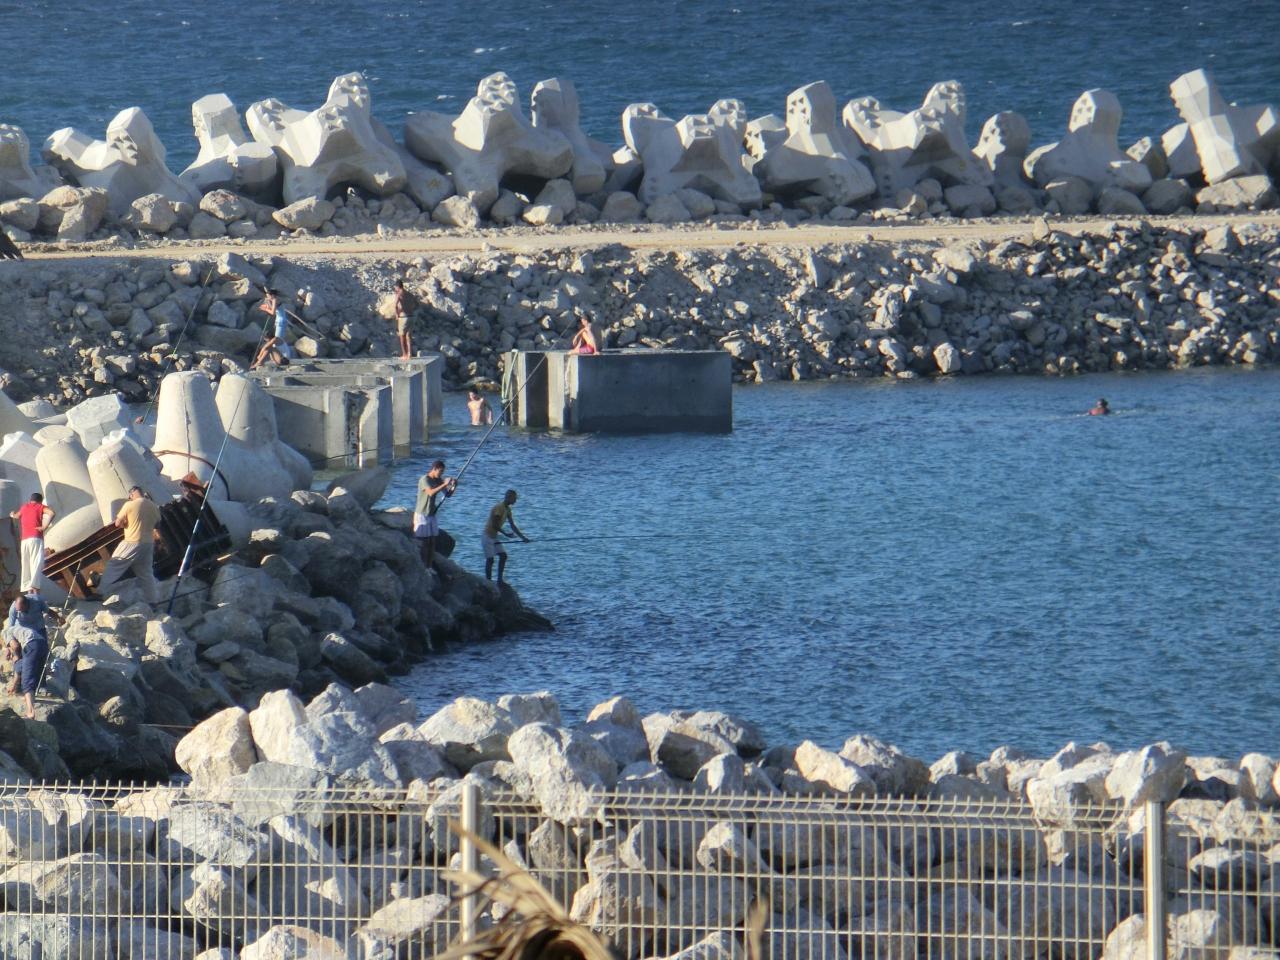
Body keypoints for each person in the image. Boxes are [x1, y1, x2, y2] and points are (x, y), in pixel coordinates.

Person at [96, 486, 162, 603]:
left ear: (131, 494)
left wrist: (125, 524)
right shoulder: (153, 506)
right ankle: (153, 601)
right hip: (148, 544)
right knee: (146, 574)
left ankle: (100, 593)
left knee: (114, 565)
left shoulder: (129, 505)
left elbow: (117, 523)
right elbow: (158, 524)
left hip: (132, 541)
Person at [414, 460, 457, 569]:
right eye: (440, 471)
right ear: (434, 469)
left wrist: (454, 486)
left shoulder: (438, 480)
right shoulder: (424, 479)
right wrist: (445, 484)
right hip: (422, 514)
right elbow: (431, 492)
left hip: (432, 514)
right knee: (424, 542)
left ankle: (429, 566)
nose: (441, 474)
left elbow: (447, 494)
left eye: (443, 472)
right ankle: (423, 566)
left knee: (432, 541)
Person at [482, 489, 529, 585]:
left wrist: (523, 538)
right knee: (490, 560)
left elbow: (513, 525)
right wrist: (506, 534)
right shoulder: (499, 508)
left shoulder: (507, 510)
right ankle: (488, 581)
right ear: (509, 497)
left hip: (494, 537)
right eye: (514, 498)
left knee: (503, 556)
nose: (515, 500)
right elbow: (495, 525)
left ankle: (500, 580)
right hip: (487, 536)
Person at [10, 493, 53, 594]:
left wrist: (11, 514)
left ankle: (28, 591)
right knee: (36, 563)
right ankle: (35, 590)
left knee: (26, 564)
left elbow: (15, 516)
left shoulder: (24, 507)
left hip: (24, 540)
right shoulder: (40, 506)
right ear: (40, 500)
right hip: (36, 537)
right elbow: (51, 513)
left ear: (30, 500)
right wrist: (44, 527)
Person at [5, 620, 47, 719]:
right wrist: (14, 685)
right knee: (34, 673)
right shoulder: (18, 630)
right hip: (42, 643)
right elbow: (20, 666)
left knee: (27, 680)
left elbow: (15, 646)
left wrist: (14, 655)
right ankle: (28, 697)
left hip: (32, 644)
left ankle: (30, 712)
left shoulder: (5, 632)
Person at [251, 289, 293, 369]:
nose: (267, 297)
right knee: (274, 344)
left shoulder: (275, 300)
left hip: (280, 322)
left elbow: (272, 312)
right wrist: (267, 305)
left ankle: (259, 362)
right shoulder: (274, 300)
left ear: (272, 295)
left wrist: (265, 309)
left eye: (268, 296)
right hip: (279, 321)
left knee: (275, 341)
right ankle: (261, 362)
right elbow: (273, 309)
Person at [393, 279, 414, 360]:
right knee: (409, 336)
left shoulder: (399, 294)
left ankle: (404, 354)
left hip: (403, 317)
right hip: (411, 316)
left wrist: (397, 315)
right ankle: (410, 354)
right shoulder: (409, 294)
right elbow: (415, 305)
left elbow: (395, 305)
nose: (395, 289)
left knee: (402, 336)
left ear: (397, 286)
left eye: (395, 287)